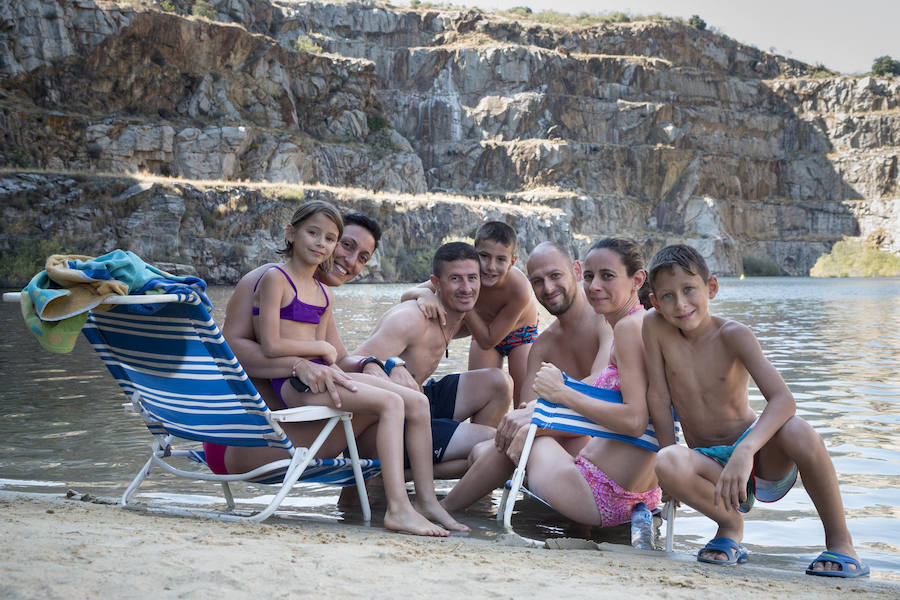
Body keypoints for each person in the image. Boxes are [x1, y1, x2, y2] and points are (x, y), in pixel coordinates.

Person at [215, 201, 465, 536]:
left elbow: (337, 357)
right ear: (296, 234)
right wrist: (300, 364)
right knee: (389, 404)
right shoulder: (266, 279)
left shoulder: (320, 295)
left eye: (362, 256)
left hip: (302, 425)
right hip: (252, 440)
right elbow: (234, 353)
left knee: (413, 400)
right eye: (346, 244)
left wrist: (379, 364)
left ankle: (421, 502)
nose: (348, 260)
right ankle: (392, 505)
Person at [643, 244, 867, 576]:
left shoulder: (733, 335)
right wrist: (668, 483)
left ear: (712, 288)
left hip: (759, 456)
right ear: (655, 302)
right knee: (667, 460)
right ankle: (730, 528)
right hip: (709, 464)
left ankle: (841, 542)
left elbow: (784, 400)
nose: (681, 304)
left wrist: (746, 449)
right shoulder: (654, 327)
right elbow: (659, 398)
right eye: (668, 296)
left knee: (798, 429)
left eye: (689, 290)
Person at [444, 240, 631, 513]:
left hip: (600, 443)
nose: (548, 288)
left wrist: (541, 412)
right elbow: (526, 408)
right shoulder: (542, 345)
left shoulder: (606, 322)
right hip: (555, 444)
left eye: (555, 276)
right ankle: (445, 507)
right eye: (538, 281)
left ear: (576, 272)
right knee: (481, 451)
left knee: (516, 438)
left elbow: (602, 385)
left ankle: (444, 508)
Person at [350, 241, 513, 479]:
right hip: (387, 428)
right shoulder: (411, 319)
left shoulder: (454, 314)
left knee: (499, 382)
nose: (466, 288)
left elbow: (494, 332)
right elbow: (352, 363)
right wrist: (392, 364)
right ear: (436, 283)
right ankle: (386, 477)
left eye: (472, 278)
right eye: (456, 279)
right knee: (496, 443)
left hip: (420, 402)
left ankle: (473, 481)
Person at [402, 222, 539, 405]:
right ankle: (485, 433)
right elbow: (406, 296)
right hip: (482, 330)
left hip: (519, 334)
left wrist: (463, 303)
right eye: (484, 256)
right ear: (475, 253)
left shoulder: (519, 289)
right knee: (480, 398)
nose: (491, 267)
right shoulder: (467, 274)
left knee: (524, 403)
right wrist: (425, 294)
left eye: (501, 259)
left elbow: (488, 340)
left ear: (512, 262)